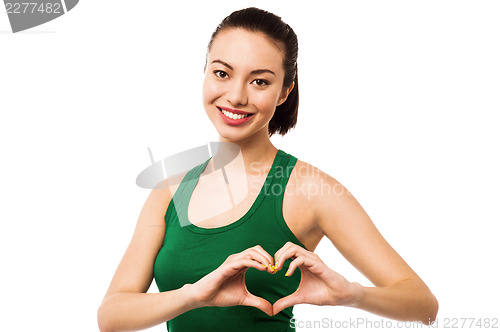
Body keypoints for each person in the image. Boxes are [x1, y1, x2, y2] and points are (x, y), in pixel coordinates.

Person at [97, 7, 438, 332]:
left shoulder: (309, 189)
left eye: (259, 81)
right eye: (222, 73)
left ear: (284, 91)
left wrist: (350, 293)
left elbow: (423, 304)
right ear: (204, 72)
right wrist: (194, 294)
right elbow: (112, 315)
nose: (236, 96)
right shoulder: (169, 191)